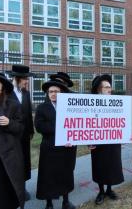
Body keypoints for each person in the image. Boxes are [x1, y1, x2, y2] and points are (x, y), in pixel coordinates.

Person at [89, 74, 132, 205]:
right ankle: (101, 191)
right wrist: (88, 142)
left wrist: (129, 133)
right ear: (99, 89)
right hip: (98, 143)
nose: (109, 89)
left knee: (112, 166)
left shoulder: (117, 103)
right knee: (100, 167)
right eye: (106, 87)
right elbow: (84, 125)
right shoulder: (91, 103)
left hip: (113, 141)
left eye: (110, 87)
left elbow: (125, 120)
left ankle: (109, 189)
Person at [35, 78, 76, 209]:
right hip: (50, 148)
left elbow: (76, 125)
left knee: (66, 175)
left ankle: (66, 201)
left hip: (67, 148)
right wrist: (61, 127)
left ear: (61, 92)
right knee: (48, 176)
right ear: (47, 93)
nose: (53, 94)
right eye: (50, 91)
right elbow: (40, 126)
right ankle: (49, 203)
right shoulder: (41, 108)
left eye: (56, 91)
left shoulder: (70, 107)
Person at [0, 72, 25, 209]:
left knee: (3, 196)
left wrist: (9, 123)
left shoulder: (12, 106)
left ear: (2, 91)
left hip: (4, 160)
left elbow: (21, 128)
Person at [6, 65, 35, 200]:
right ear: (17, 78)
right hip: (11, 135)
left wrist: (30, 130)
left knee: (24, 162)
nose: (27, 81)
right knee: (13, 162)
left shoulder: (26, 93)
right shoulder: (6, 93)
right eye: (25, 79)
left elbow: (28, 113)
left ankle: (22, 188)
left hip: (24, 136)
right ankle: (12, 190)